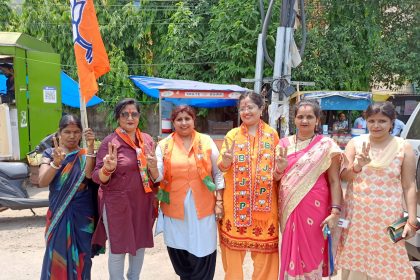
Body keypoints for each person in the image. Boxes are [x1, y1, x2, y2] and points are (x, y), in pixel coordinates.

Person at [336, 101, 417, 280]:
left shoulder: (404, 147)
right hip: (357, 217)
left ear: (391, 122)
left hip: (390, 218)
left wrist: (412, 220)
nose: (376, 125)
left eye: (382, 121)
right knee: (355, 261)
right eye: (371, 121)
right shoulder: (356, 144)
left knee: (392, 259)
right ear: (366, 121)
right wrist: (357, 165)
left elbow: (409, 185)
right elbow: (344, 177)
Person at [150, 105, 224, 280]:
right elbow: (158, 176)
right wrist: (152, 167)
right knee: (179, 249)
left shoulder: (206, 141)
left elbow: (218, 172)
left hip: (203, 208)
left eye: (187, 118)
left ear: (193, 120)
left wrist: (219, 202)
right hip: (174, 209)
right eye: (179, 119)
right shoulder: (164, 145)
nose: (183, 123)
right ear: (173, 122)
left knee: (204, 248)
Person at [217, 92, 281, 280]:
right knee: (233, 259)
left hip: (265, 210)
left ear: (261, 109)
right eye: (242, 108)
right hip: (236, 208)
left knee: (265, 259)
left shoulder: (272, 135)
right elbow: (221, 166)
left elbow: (278, 169)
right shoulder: (232, 135)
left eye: (250, 107)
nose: (246, 111)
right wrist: (227, 161)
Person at [277, 99, 343, 279]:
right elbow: (275, 178)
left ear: (317, 120)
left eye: (309, 117)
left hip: (316, 208)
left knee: (312, 250)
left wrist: (335, 211)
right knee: (290, 248)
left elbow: (334, 180)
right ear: (295, 120)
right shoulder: (283, 144)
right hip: (290, 206)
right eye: (300, 117)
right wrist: (279, 168)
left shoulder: (327, 145)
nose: (304, 121)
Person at [92, 98, 156, 280]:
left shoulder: (147, 140)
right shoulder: (110, 142)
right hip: (116, 204)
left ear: (139, 116)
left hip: (142, 201)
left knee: (139, 244)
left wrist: (154, 167)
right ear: (118, 117)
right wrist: (108, 169)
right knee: (118, 247)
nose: (130, 118)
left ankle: (134, 277)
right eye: (125, 114)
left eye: (134, 114)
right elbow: (97, 177)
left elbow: (156, 175)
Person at [39, 114, 97, 279]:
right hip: (58, 213)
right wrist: (56, 163)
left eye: (76, 132)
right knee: (57, 255)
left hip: (82, 214)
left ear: (82, 133)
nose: (72, 136)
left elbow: (89, 175)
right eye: (67, 132)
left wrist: (91, 148)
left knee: (83, 255)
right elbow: (43, 181)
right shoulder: (50, 153)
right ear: (59, 133)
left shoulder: (85, 154)